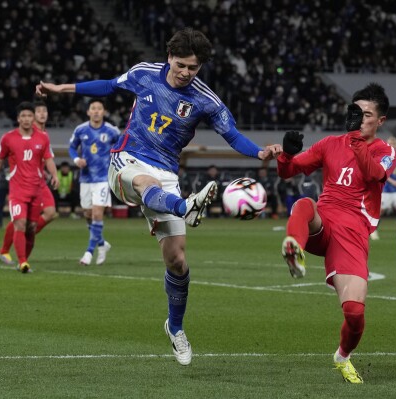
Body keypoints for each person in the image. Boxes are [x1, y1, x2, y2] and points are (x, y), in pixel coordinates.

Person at [36, 27, 281, 366]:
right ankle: (186, 207)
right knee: (143, 182)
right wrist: (60, 88)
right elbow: (108, 85)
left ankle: (175, 327)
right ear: (170, 57)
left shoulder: (206, 100)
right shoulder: (144, 74)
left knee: (177, 260)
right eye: (180, 65)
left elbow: (233, 135)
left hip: (166, 174)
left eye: (192, 68)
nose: (185, 73)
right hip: (126, 161)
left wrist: (260, 154)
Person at [278, 83, 396, 383]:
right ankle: (294, 245)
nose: (358, 118)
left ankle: (342, 356)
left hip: (353, 234)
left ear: (380, 120)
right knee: (305, 203)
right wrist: (286, 154)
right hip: (324, 222)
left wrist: (356, 140)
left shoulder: (385, 151)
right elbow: (289, 171)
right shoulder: (330, 143)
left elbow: (374, 174)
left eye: (365, 114)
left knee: (355, 313)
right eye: (354, 112)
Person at [0, 101, 59, 273]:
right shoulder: (9, 138)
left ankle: (18, 249)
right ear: (18, 118)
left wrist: (53, 175)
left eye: (41, 112)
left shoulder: (43, 137)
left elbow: (48, 159)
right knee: (20, 222)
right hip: (18, 188)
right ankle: (21, 260)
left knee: (32, 226)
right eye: (25, 115)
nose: (40, 115)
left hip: (37, 186)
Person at [68, 99, 120, 265]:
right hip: (86, 178)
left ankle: (89, 253)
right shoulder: (80, 129)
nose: (96, 111)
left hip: (103, 179)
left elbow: (121, 147)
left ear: (104, 112)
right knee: (89, 215)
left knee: (98, 214)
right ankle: (102, 244)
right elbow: (71, 147)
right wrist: (77, 160)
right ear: (88, 111)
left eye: (99, 108)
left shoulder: (112, 131)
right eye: (93, 108)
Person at [370, 136, 396, 240]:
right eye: (390, 144)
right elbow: (381, 172)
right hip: (385, 189)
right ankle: (374, 230)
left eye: (394, 144)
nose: (392, 146)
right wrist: (391, 181)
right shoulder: (384, 157)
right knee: (380, 211)